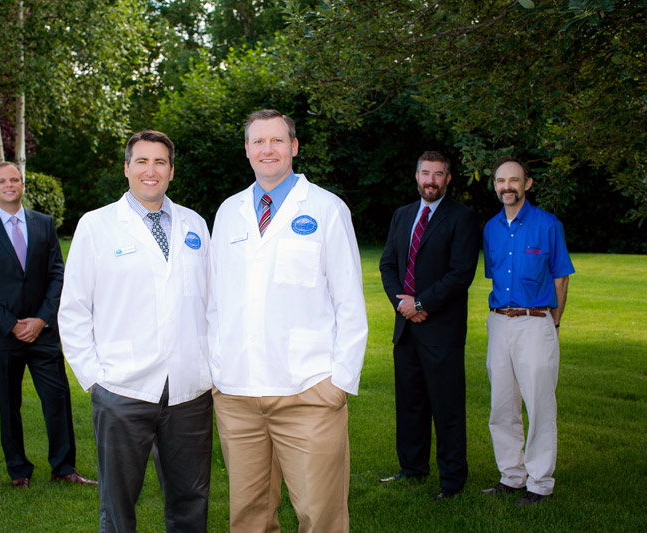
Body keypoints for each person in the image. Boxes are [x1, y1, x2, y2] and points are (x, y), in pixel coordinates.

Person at [208, 109, 368, 532]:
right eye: (258, 141)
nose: (268, 149)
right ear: (246, 150)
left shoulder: (326, 208)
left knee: (321, 517)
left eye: (277, 140)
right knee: (248, 518)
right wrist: (217, 369)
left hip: (307, 391)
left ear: (294, 147)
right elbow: (215, 301)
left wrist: (338, 382)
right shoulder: (229, 212)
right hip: (238, 394)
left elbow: (350, 302)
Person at [58, 130, 213, 532]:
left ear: (172, 171)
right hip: (122, 389)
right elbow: (74, 309)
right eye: (141, 161)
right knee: (118, 506)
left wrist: (209, 368)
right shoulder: (96, 225)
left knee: (191, 501)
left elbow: (212, 302)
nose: (151, 170)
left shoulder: (194, 225)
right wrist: (94, 378)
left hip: (189, 390)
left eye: (160, 162)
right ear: (126, 168)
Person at [0, 162, 96, 489]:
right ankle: (18, 470)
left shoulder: (44, 224)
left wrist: (41, 319)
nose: (9, 185)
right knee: (9, 405)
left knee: (57, 399)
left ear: (22, 185)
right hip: (2, 336)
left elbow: (57, 274)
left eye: (15, 179)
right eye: (2, 181)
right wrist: (11, 324)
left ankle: (64, 467)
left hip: (43, 333)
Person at [378, 151, 480, 500]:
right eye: (425, 173)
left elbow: (460, 274)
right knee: (410, 403)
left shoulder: (462, 218)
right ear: (417, 176)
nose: (431, 180)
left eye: (438, 174)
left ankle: (452, 478)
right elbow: (388, 265)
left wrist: (420, 304)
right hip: (406, 328)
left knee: (446, 407)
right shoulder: (402, 215)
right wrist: (403, 304)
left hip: (442, 330)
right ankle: (412, 467)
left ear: (448, 178)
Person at [482, 156, 574, 506]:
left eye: (514, 180)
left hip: (535, 322)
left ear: (528, 184)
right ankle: (511, 476)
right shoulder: (490, 228)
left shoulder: (548, 224)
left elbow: (560, 278)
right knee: (502, 405)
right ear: (495, 185)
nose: (507, 186)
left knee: (539, 405)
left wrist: (555, 322)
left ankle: (540, 483)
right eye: (501, 181)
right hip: (498, 322)